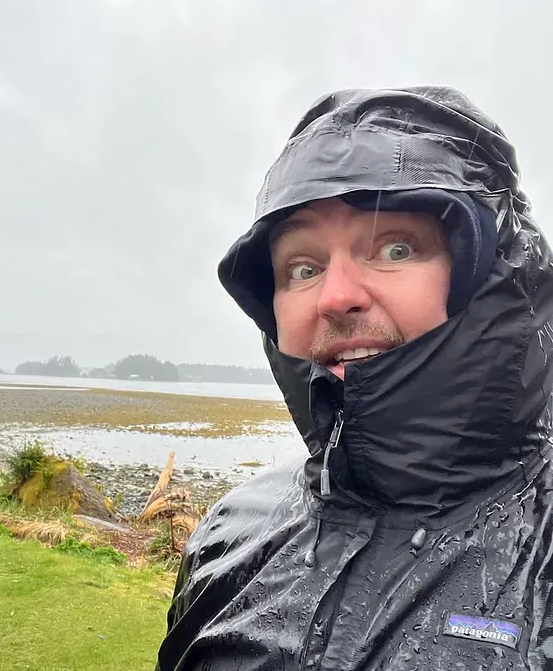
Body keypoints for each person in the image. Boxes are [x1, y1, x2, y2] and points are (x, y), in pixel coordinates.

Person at [156, 87, 553, 670]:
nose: (335, 296)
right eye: (304, 267)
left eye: (396, 248)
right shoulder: (229, 532)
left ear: (493, 273)